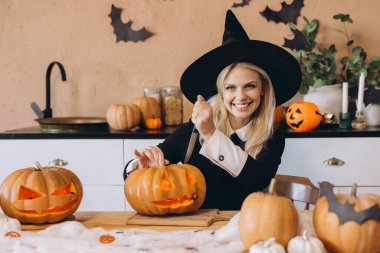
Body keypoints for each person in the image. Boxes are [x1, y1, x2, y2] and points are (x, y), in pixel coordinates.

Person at [123, 10, 301, 210]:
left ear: (262, 91)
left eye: (250, 86)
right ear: (221, 93)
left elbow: (256, 180)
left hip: (245, 227)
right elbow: (142, 172)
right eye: (230, 87)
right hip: (196, 229)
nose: (241, 96)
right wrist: (140, 166)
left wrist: (210, 133)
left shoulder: (272, 137)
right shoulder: (192, 131)